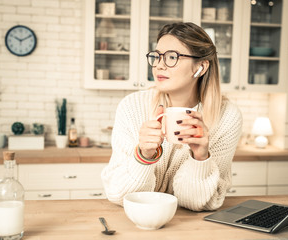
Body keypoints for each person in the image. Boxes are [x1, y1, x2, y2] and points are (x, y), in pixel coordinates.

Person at [101, 22, 242, 211]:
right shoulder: (131, 106)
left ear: (200, 67)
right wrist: (143, 156)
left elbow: (194, 202)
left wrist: (200, 158)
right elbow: (120, 194)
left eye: (171, 57)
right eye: (157, 56)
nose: (159, 65)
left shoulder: (227, 117)